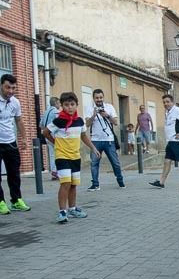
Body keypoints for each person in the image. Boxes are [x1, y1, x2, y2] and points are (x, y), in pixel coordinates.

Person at [43, 92, 100, 224]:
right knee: (65, 183)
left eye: (72, 104)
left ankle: (72, 209)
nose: (70, 107)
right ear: (62, 106)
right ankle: (62, 211)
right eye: (66, 105)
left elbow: (83, 136)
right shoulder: (58, 121)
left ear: (76, 105)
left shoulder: (79, 121)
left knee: (73, 184)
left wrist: (93, 148)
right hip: (62, 156)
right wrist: (55, 142)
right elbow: (45, 132)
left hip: (75, 156)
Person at [0, 74, 31, 215]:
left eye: (13, 88)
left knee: (14, 173)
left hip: (10, 143)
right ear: (0, 86)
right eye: (8, 87)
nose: (11, 91)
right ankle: (0, 202)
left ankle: (16, 200)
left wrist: (24, 138)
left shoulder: (15, 102)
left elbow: (19, 120)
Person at [148, 94, 179, 189]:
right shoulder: (168, 112)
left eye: (167, 102)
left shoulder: (177, 110)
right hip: (171, 141)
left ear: (172, 102)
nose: (165, 104)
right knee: (167, 161)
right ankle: (161, 182)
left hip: (177, 141)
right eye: (164, 102)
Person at [85, 89, 125, 190]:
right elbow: (87, 124)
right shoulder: (89, 108)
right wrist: (94, 115)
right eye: (97, 98)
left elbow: (115, 122)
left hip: (109, 140)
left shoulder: (109, 107)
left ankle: (120, 181)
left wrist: (107, 115)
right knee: (94, 163)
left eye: (101, 97)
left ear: (103, 97)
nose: (99, 99)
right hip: (95, 140)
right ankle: (95, 184)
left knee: (115, 162)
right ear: (93, 98)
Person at [40, 96, 61, 180]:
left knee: (52, 154)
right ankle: (58, 171)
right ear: (55, 103)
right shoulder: (56, 112)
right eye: (59, 103)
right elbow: (60, 123)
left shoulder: (45, 112)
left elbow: (41, 125)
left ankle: (54, 171)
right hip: (54, 134)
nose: (60, 105)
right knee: (58, 153)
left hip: (46, 135)